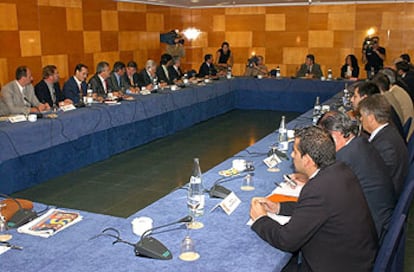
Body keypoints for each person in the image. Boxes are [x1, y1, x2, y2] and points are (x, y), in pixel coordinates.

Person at [250, 126, 377, 271]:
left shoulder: (318, 189)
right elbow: (315, 209)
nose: (292, 155)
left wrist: (260, 219)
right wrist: (278, 207)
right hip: (358, 258)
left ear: (308, 160)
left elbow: (286, 240)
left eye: (295, 152)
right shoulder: (341, 169)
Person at [318, 111, 396, 242]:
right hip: (381, 218)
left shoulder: (343, 159)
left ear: (336, 135)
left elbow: (323, 196)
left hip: (368, 230)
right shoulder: (361, 142)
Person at [358, 94, 409, 197]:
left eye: (362, 116)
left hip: (384, 199)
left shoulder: (385, 145)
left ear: (371, 118)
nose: (360, 119)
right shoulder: (388, 131)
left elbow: (371, 179)